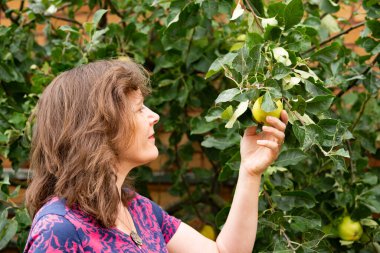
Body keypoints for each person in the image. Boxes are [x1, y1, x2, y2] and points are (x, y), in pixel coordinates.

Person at [24, 59, 288, 253]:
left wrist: (249, 171)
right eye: (139, 109)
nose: (154, 116)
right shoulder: (58, 228)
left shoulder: (140, 211)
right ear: (98, 128)